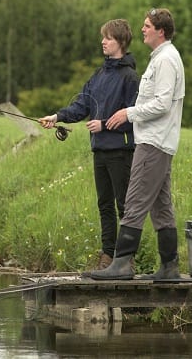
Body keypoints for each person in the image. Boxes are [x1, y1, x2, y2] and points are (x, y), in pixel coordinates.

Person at [84, 7, 185, 280]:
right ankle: (169, 267)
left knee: (135, 200)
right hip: (159, 141)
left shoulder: (165, 60)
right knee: (161, 206)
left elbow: (163, 104)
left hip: (153, 142)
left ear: (160, 31)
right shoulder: (162, 58)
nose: (142, 29)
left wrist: (128, 113)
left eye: (147, 26)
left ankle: (121, 264)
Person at [39, 19, 138, 270]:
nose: (103, 42)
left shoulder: (130, 77)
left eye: (108, 38)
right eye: (103, 37)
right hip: (100, 150)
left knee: (123, 205)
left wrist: (104, 125)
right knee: (104, 205)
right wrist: (57, 117)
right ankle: (107, 258)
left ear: (121, 43)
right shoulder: (99, 74)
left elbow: (136, 116)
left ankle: (126, 260)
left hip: (121, 150)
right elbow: (81, 105)